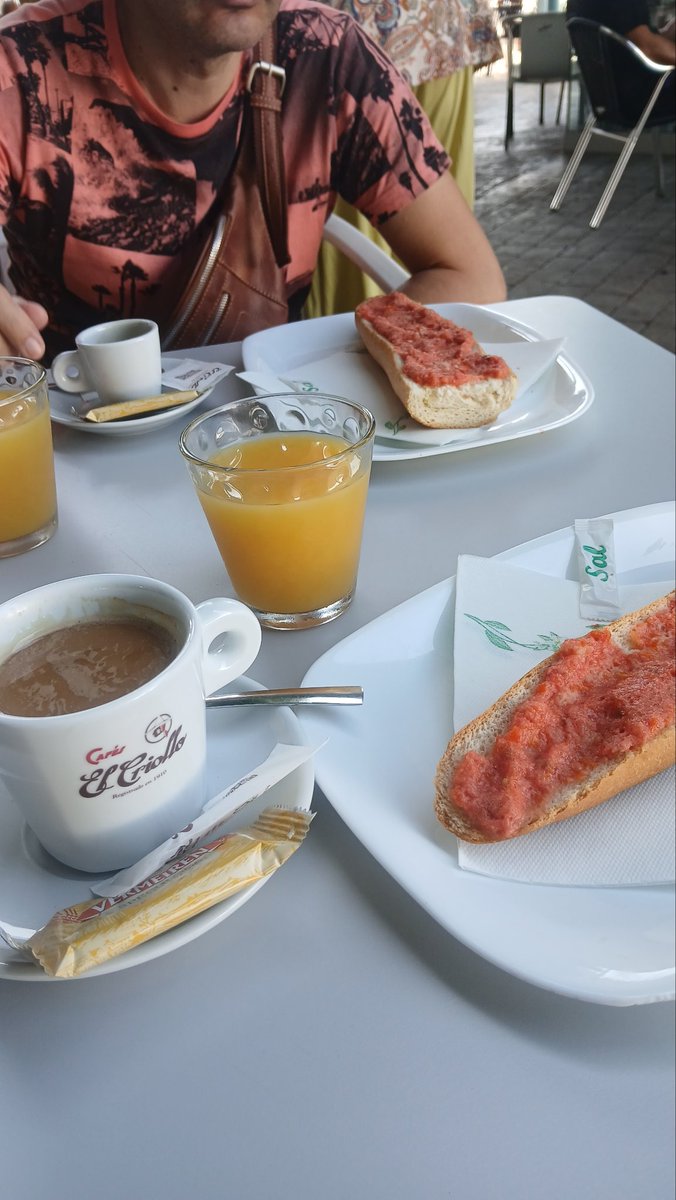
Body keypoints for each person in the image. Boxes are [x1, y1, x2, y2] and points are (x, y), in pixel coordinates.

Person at [0, 0, 507, 364]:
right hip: (74, 457)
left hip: (275, 449)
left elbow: (472, 277)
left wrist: (330, 368)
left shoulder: (326, 54)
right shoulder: (22, 66)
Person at [305, 0, 503, 318]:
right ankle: (357, 340)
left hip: (380, 29)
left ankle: (348, 339)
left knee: (441, 247)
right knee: (438, 226)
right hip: (435, 25)